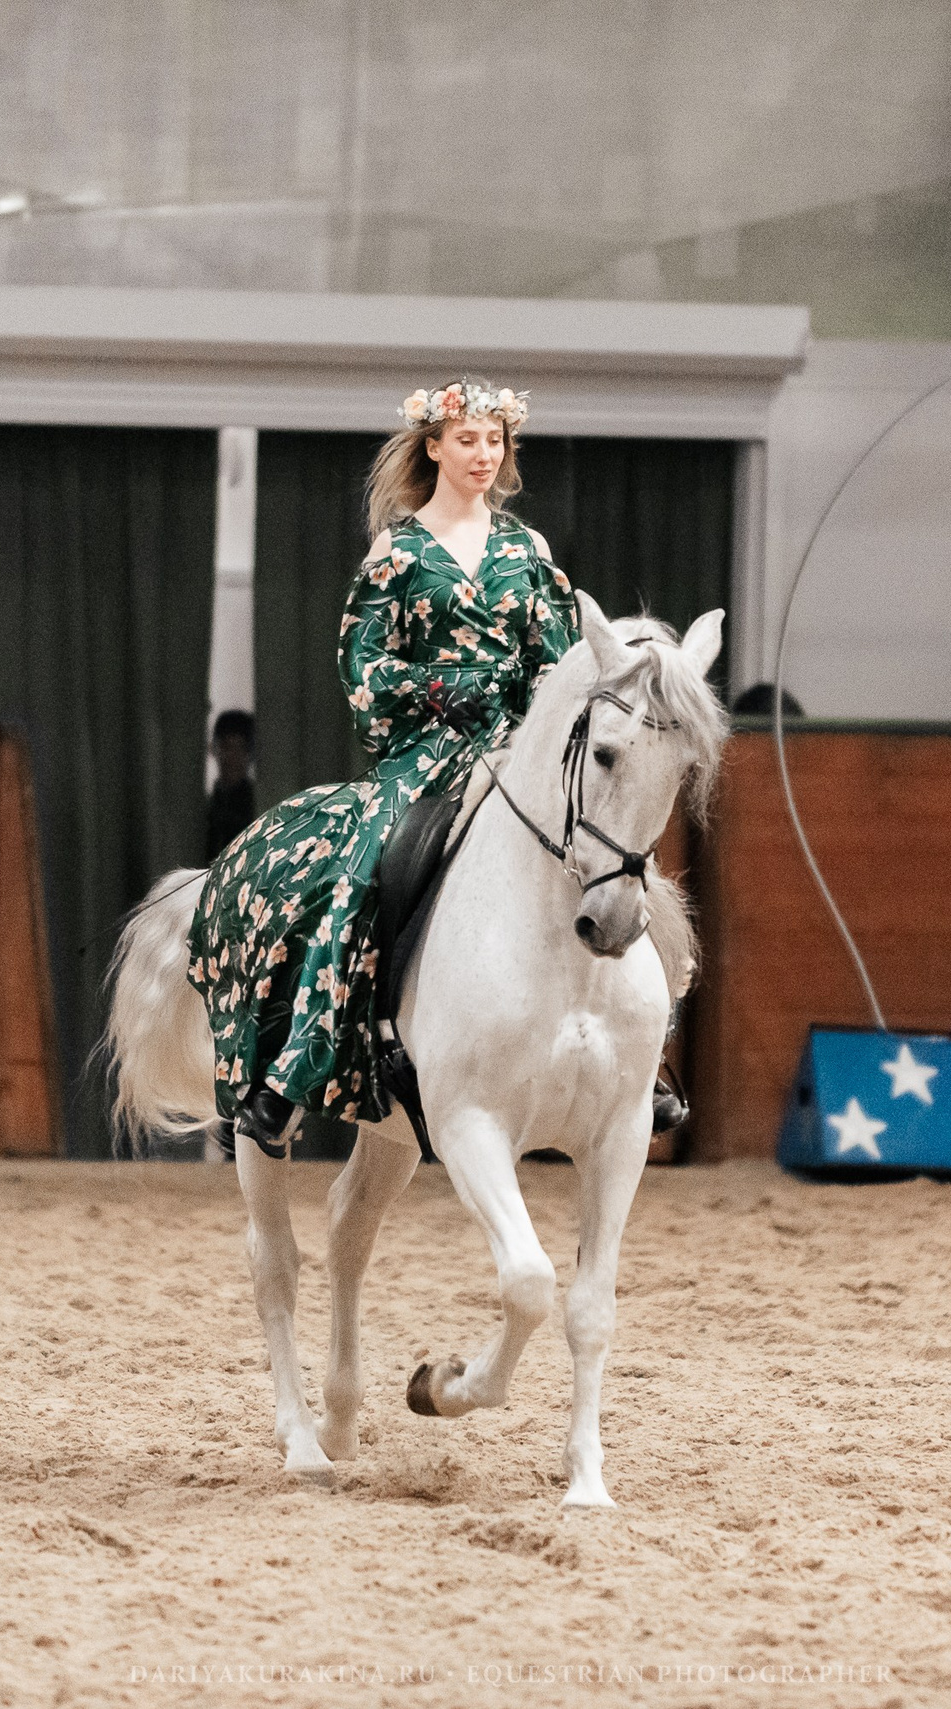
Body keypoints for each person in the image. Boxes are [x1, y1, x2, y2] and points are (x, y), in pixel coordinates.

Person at [187, 377, 575, 1159]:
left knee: (604, 847)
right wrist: (452, 684)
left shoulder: (527, 551)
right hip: (425, 753)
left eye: (494, 441)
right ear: (434, 446)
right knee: (365, 866)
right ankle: (293, 1073)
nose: (483, 454)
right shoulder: (398, 550)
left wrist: (531, 707)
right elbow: (363, 668)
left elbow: (558, 662)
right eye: (468, 439)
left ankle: (643, 1055)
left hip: (515, 745)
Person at [204, 709, 257, 862]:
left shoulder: (255, 806)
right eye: (226, 746)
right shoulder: (205, 806)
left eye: (240, 747)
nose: (232, 757)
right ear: (214, 748)